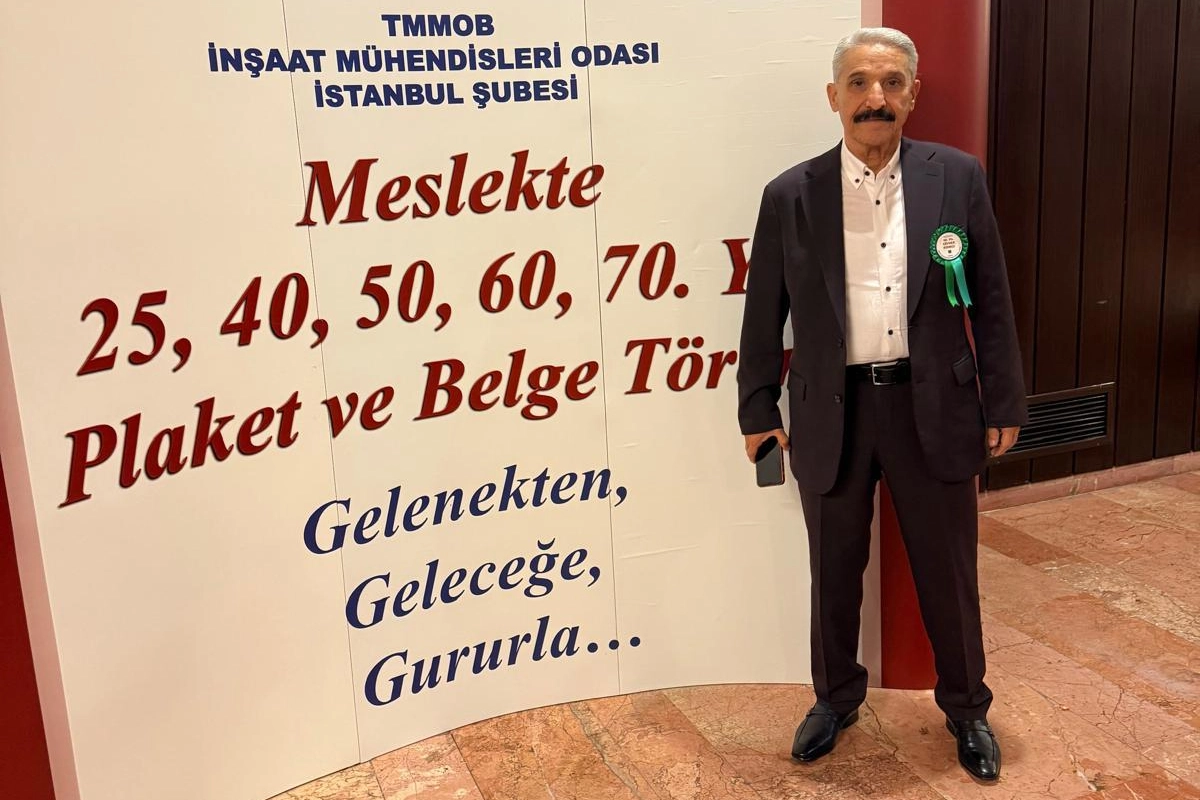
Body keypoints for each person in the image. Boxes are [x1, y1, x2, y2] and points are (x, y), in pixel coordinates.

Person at [736, 27, 1027, 783]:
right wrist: (757, 408)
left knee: (949, 572)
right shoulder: (789, 194)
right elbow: (763, 311)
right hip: (830, 412)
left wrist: (1003, 399)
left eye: (892, 83)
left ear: (913, 95)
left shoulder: (956, 177)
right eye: (860, 83)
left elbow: (991, 297)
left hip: (935, 407)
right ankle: (835, 698)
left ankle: (966, 708)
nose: (876, 98)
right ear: (833, 96)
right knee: (833, 571)